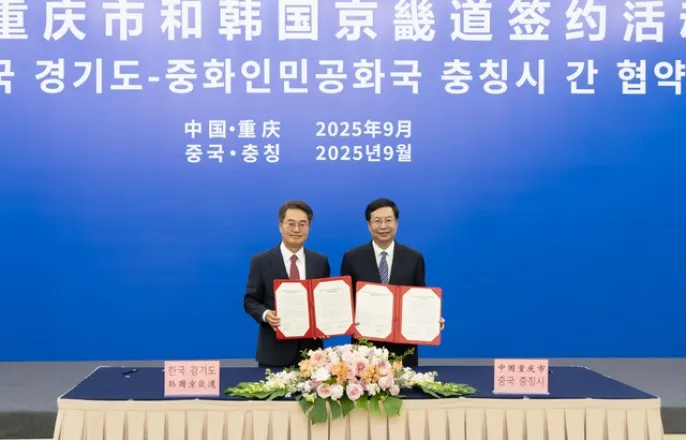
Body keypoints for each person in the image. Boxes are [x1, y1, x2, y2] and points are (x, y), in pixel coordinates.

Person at [340, 198, 444, 368]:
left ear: (397, 223)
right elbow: (346, 301)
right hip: (365, 349)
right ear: (369, 225)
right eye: (377, 221)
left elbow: (421, 296)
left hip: (403, 348)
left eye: (388, 220)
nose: (383, 226)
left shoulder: (414, 258)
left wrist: (432, 318)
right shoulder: (352, 257)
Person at [243, 200, 331, 368]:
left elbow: (324, 302)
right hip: (274, 352)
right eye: (291, 224)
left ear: (309, 227)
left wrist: (327, 324)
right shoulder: (261, 261)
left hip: (312, 355)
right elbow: (250, 301)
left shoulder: (320, 261)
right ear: (280, 226)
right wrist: (266, 314)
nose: (296, 229)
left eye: (302, 224)